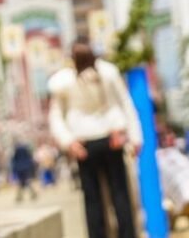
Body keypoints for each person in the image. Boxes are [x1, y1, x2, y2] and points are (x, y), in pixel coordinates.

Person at [48, 39, 141, 238]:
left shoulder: (107, 73)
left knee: (112, 198)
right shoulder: (64, 82)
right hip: (87, 143)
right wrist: (69, 141)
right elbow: (56, 116)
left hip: (108, 139)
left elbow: (123, 103)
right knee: (103, 198)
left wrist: (133, 135)